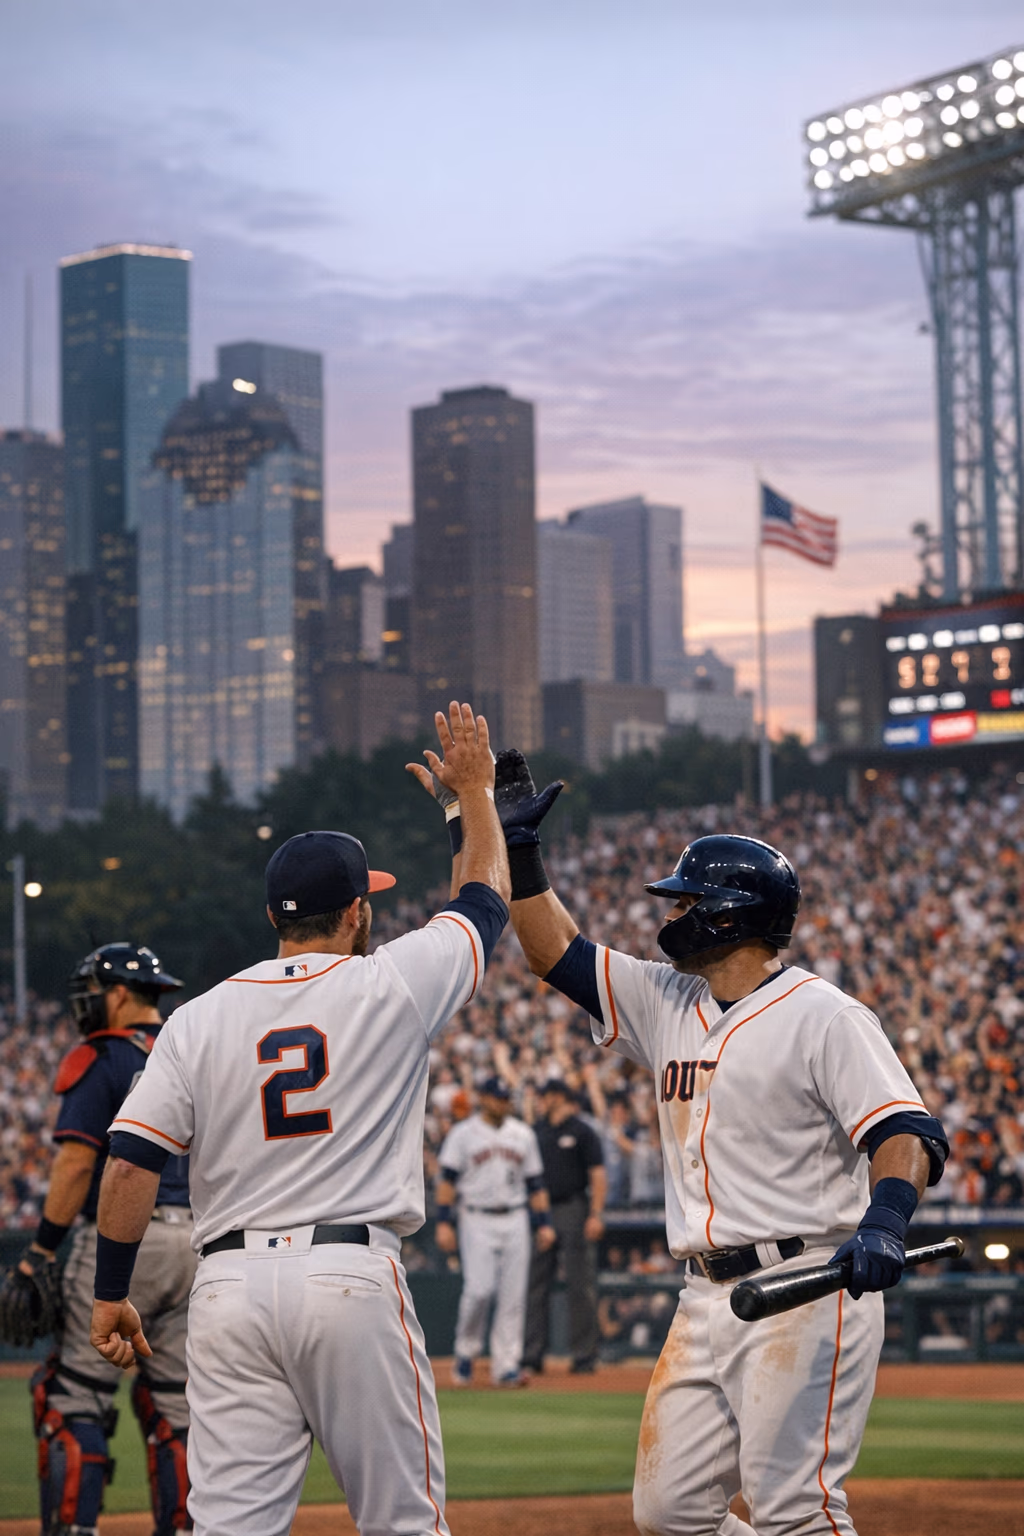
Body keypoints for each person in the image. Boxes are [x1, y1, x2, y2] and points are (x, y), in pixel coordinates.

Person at [492, 748, 949, 1536]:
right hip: (705, 1295)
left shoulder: (824, 1015)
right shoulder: (670, 999)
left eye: (684, 903)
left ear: (728, 915)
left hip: (807, 1283)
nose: (669, 916)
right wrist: (522, 857)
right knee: (669, 1513)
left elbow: (905, 1130)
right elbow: (553, 954)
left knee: (795, 1510)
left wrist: (886, 1219)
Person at [87, 702, 509, 1536]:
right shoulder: (388, 983)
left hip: (229, 1289)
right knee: (402, 1523)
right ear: (356, 912)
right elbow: (485, 901)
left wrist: (109, 1294)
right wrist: (473, 802)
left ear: (273, 918)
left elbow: (131, 1163)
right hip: (348, 1274)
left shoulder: (198, 1017)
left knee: (230, 1528)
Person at [1, 943, 193, 1536]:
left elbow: (77, 1166)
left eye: (91, 992)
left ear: (116, 995)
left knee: (73, 1398)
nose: (84, 1004)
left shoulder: (98, 1056)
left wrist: (39, 1253)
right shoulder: (187, 1052)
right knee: (178, 1408)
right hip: (196, 1244)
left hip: (120, 1240)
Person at [435, 1076, 555, 1386]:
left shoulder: (522, 1134)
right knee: (479, 1290)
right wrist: (443, 1222)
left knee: (513, 1296)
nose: (503, 1103)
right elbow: (447, 1181)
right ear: (484, 1099)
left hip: (515, 1216)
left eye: (506, 1098)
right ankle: (465, 1352)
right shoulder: (463, 1134)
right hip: (475, 1216)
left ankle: (506, 1366)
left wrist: (544, 1224)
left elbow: (536, 1184)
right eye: (498, 1098)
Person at [521, 1079, 607, 1375]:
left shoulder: (582, 1131)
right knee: (535, 1284)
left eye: (545, 1096)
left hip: (573, 1207)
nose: (542, 1101)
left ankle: (584, 1355)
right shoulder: (537, 1132)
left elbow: (597, 1174)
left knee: (579, 1284)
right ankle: (532, 1354)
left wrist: (596, 1214)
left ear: (558, 1097)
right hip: (542, 1210)